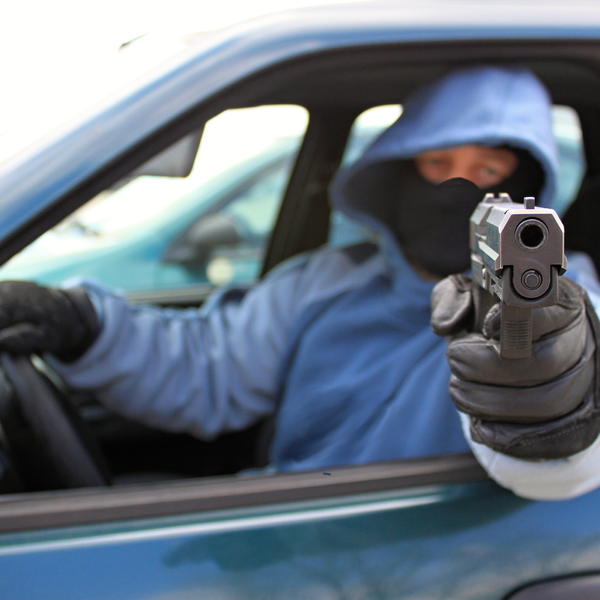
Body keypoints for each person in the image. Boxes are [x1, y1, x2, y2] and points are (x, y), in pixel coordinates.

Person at [1, 66, 600, 500]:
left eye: (487, 170)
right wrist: (82, 323)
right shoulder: (329, 278)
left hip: (430, 563)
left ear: (527, 188)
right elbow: (207, 369)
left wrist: (550, 400)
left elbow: (566, 453)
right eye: (435, 164)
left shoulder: (562, 305)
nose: (454, 189)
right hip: (287, 540)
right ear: (398, 171)